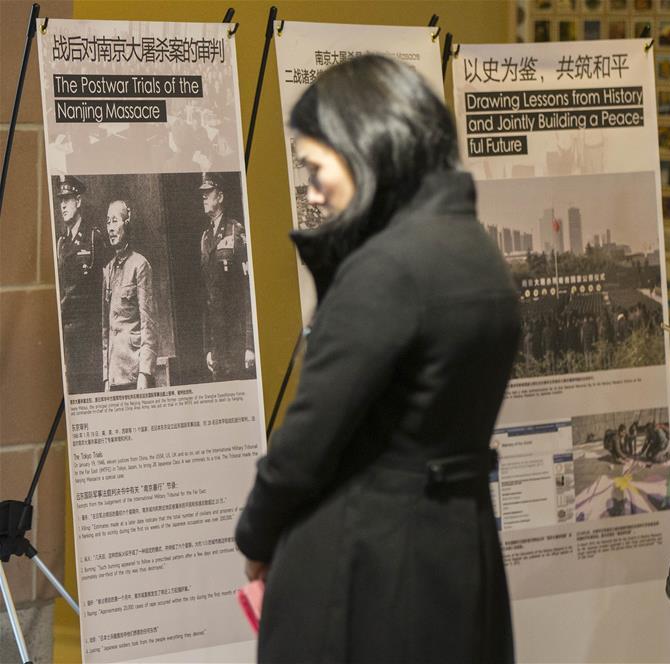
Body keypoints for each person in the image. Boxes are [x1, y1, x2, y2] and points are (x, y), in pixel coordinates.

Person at [234, 55, 520, 663]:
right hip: (456, 554)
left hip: (364, 568)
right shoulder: (477, 251)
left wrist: (256, 533)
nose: (314, 194)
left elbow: (307, 439)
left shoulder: (387, 269)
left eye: (317, 169)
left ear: (366, 149)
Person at [199, 172, 255, 381]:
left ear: (220, 196)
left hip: (236, 339)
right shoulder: (205, 238)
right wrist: (207, 348)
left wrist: (250, 345)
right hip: (217, 344)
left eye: (208, 192)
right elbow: (207, 296)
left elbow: (248, 290)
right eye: (202, 194)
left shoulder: (235, 232)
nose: (204, 197)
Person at [55, 175, 106, 394]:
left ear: (78, 201)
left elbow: (105, 286)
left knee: (91, 391)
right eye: (61, 200)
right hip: (69, 335)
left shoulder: (93, 238)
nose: (63, 205)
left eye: (67, 199)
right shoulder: (61, 243)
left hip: (90, 334)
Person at [101, 201, 158, 391]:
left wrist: (145, 373)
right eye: (108, 222)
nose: (110, 227)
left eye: (115, 221)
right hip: (114, 375)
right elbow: (106, 328)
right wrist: (106, 377)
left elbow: (148, 323)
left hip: (135, 373)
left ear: (126, 223)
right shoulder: (108, 270)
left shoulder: (140, 265)